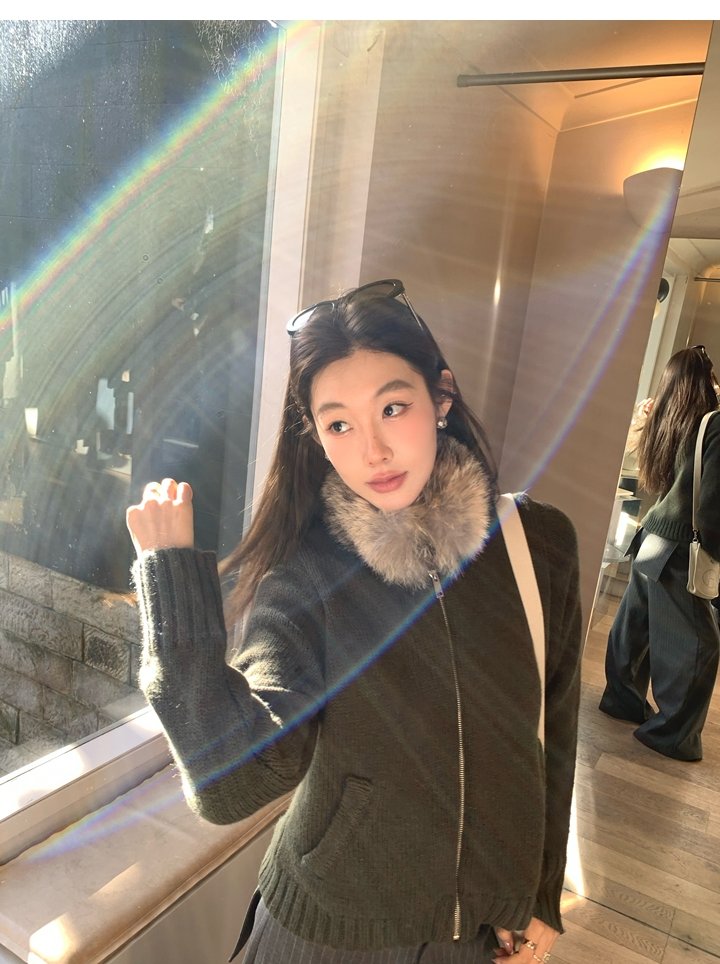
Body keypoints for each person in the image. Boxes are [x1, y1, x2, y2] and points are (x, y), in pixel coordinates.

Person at [126, 280, 582, 964]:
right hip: (328, 933)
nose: (372, 450)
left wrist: (540, 891)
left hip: (477, 935)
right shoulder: (308, 576)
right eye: (338, 424)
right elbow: (230, 784)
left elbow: (554, 730)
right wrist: (171, 588)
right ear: (316, 436)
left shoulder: (536, 543)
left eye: (392, 407)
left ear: (441, 397)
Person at [599, 346, 720, 761]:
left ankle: (622, 701)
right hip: (679, 547)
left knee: (637, 628)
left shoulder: (673, 419)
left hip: (652, 538)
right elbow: (712, 505)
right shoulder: (712, 423)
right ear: (707, 381)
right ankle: (672, 735)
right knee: (701, 643)